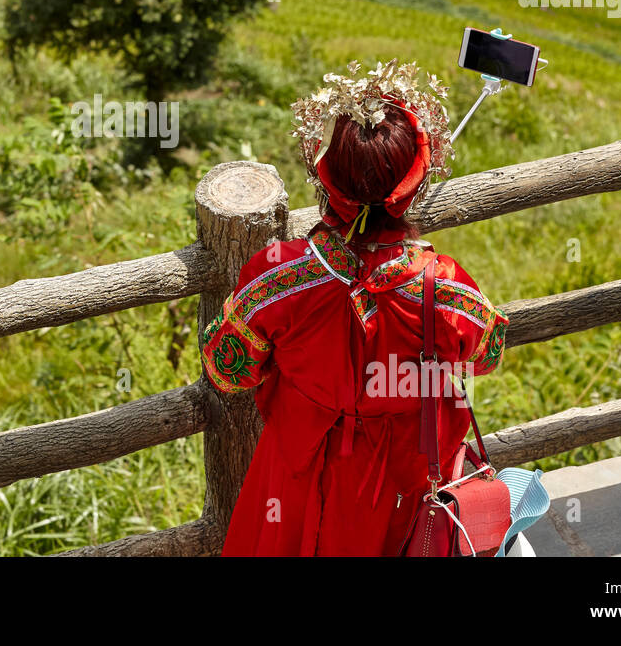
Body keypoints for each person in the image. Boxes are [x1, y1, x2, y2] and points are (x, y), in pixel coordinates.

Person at [199, 60, 509, 556]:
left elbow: (227, 369)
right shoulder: (444, 288)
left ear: (326, 177)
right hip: (400, 483)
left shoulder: (277, 277)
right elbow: (486, 354)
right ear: (414, 184)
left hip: (297, 472)